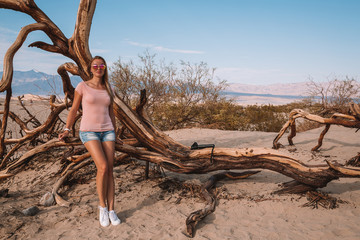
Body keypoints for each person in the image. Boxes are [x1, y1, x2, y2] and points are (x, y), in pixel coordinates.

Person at [59, 56, 122, 227]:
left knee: (109, 170)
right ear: (90, 68)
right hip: (89, 132)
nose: (99, 68)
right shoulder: (83, 86)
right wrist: (66, 129)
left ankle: (112, 210)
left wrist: (115, 134)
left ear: (105, 68)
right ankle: (102, 207)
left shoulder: (110, 88)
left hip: (108, 131)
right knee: (102, 167)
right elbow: (73, 109)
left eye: (102, 65)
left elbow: (111, 114)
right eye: (95, 65)